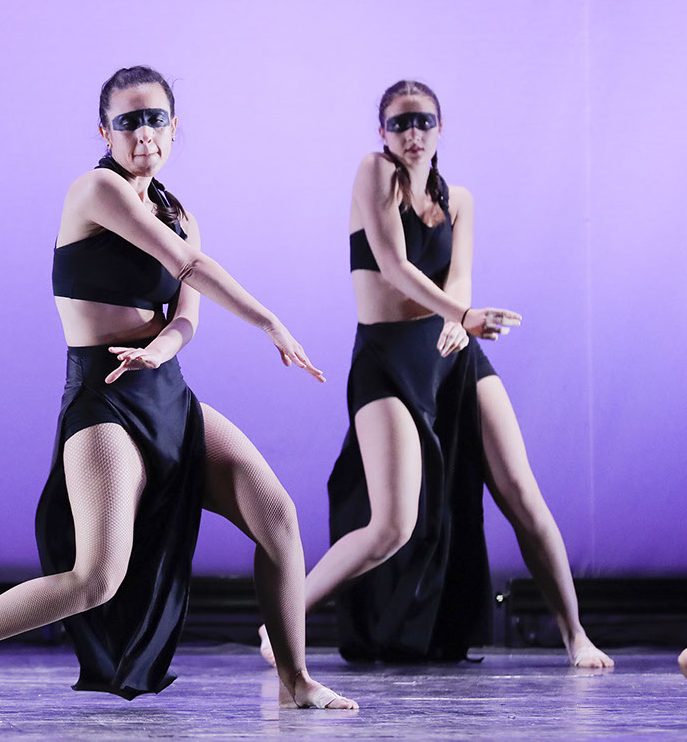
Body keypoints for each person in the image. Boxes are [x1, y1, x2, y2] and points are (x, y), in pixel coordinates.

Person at [0, 66, 357, 712]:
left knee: (278, 517)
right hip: (104, 397)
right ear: (106, 132)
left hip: (164, 390)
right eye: (129, 121)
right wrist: (269, 321)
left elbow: (186, 315)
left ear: (174, 129)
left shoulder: (180, 213)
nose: (144, 132)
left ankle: (296, 680)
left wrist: (159, 349)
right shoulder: (95, 190)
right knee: (97, 577)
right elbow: (188, 266)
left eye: (155, 119)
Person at [259, 80, 611, 667]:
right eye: (400, 123)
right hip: (387, 359)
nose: (412, 133)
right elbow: (394, 266)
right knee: (392, 525)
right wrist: (462, 314)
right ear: (382, 132)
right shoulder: (374, 173)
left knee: (522, 492)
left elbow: (461, 275)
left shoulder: (459, 199)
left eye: (423, 121)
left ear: (440, 129)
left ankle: (576, 635)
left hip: (452, 353)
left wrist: (457, 317)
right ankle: (280, 623)